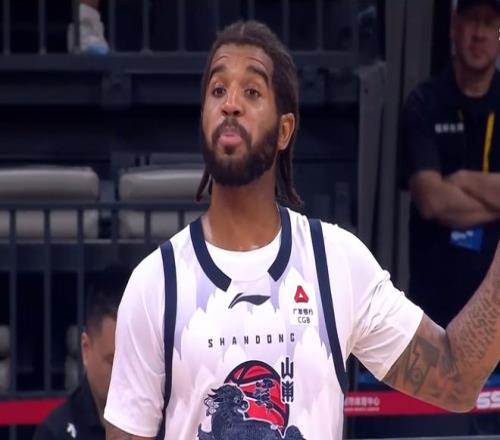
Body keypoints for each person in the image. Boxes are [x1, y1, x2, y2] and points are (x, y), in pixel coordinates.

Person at [104, 20, 500, 440]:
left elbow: (456, 379)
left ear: (284, 131)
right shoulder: (155, 283)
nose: (230, 104)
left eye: (251, 91)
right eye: (218, 90)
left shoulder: (336, 262)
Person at [402, 0, 500, 327]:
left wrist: (461, 180)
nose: (479, 34)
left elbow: (444, 196)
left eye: (490, 23)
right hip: (435, 309)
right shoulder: (423, 102)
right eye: (472, 20)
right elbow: (432, 201)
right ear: (454, 26)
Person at [34, 266, 129, 440]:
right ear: (86, 348)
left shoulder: (168, 422)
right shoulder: (55, 433)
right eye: (113, 362)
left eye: (135, 362)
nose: (126, 375)